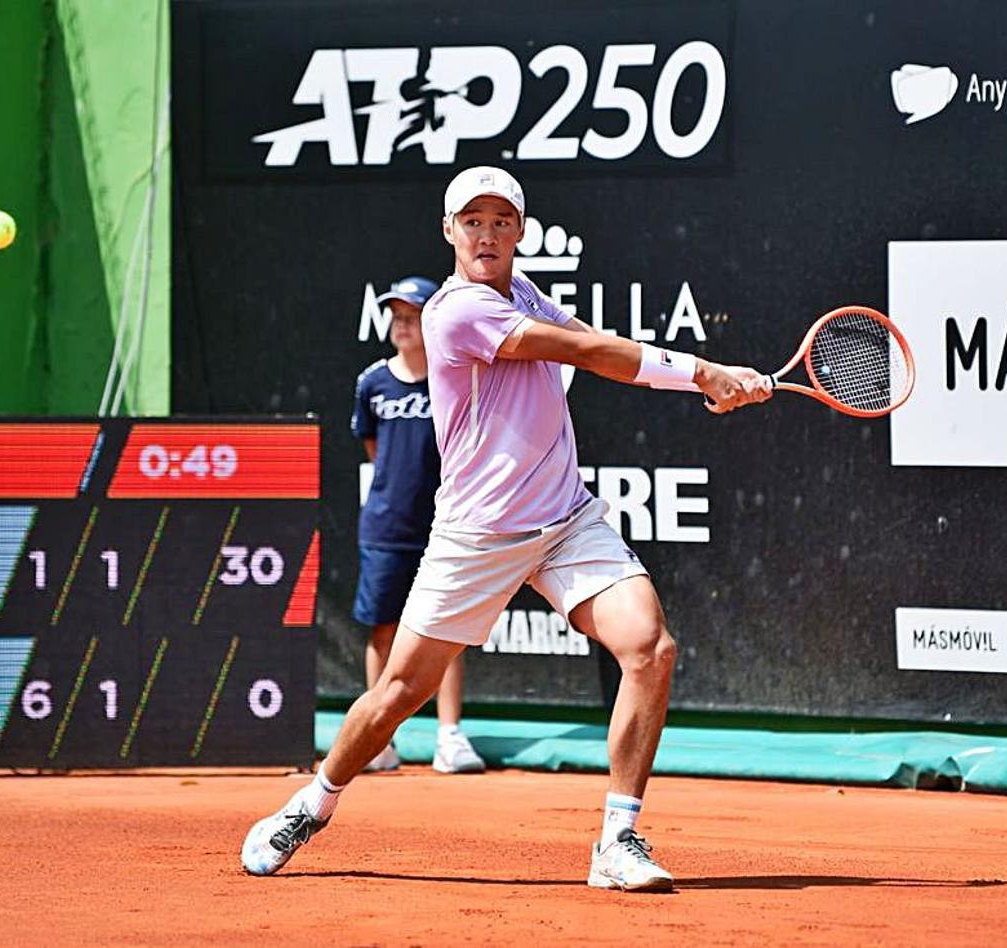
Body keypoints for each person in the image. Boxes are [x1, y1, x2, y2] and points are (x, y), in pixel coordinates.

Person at [242, 166, 772, 891]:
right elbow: (582, 352)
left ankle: (617, 841)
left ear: (522, 232)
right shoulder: (456, 313)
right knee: (399, 693)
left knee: (650, 648)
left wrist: (710, 376)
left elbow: (589, 334)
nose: (486, 234)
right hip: (477, 535)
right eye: (472, 221)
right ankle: (314, 801)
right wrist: (704, 370)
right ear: (449, 231)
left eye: (500, 221)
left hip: (564, 520)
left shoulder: (523, 293)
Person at [351, 275, 485, 775]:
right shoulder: (372, 383)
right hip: (385, 529)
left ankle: (449, 736)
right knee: (383, 630)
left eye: (413, 316)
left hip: (446, 526)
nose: (403, 325)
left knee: (444, 634)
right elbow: (375, 452)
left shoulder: (453, 379)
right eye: (397, 317)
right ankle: (378, 740)